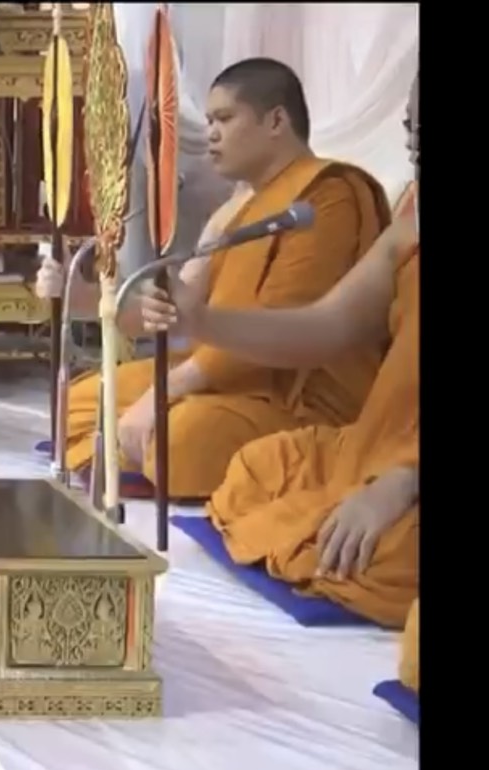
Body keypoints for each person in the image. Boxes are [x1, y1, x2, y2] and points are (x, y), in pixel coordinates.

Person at [37, 58, 392, 499]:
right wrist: (86, 297)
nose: (211, 134)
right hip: (228, 381)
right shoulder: (238, 208)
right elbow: (173, 314)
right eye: (208, 121)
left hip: (296, 398)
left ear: (276, 121)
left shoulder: (325, 197)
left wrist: (163, 392)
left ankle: (143, 451)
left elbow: (284, 329)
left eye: (224, 118)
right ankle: (137, 449)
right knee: (76, 402)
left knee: (178, 442)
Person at [141, 73, 419, 628]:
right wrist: (201, 320)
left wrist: (406, 478)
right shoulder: (406, 234)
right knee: (252, 472)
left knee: (384, 556)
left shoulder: (329, 194)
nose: (413, 144)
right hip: (375, 444)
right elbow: (323, 326)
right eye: (412, 126)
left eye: (225, 119)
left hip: (402, 464)